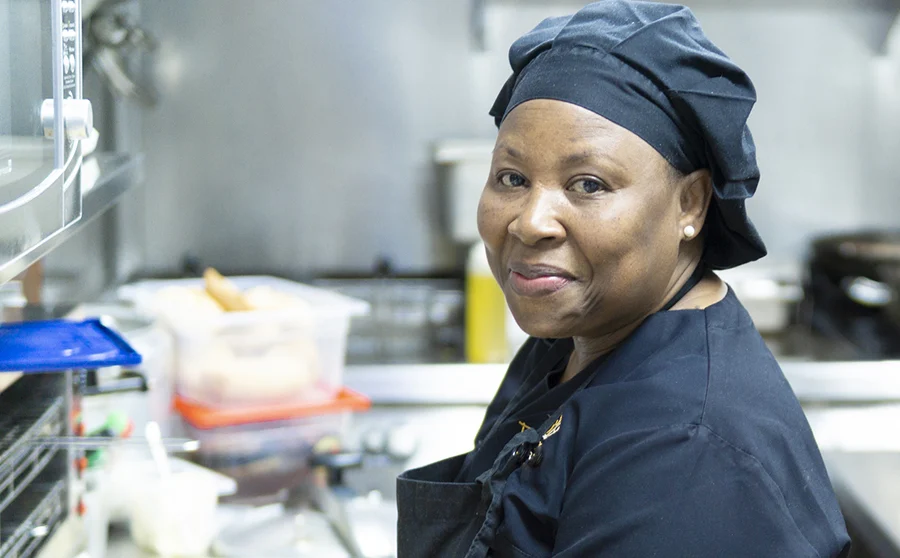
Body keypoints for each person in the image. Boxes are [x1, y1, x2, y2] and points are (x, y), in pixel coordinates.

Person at [396, 1, 852, 557]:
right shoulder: (577, 335)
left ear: (690, 203)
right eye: (512, 178)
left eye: (588, 185)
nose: (531, 222)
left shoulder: (687, 453)